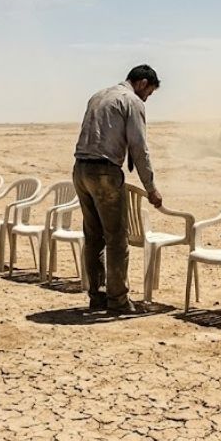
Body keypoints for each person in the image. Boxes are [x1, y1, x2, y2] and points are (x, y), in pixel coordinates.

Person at [73, 64, 164, 312]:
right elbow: (139, 148)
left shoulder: (99, 95)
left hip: (80, 170)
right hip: (104, 172)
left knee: (93, 237)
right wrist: (151, 188)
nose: (147, 98)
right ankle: (118, 300)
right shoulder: (132, 101)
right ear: (143, 83)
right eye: (149, 93)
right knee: (116, 238)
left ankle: (97, 295)